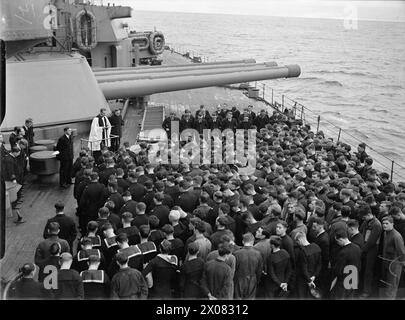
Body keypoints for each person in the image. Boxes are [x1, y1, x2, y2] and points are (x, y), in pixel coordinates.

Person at [330, 229, 362, 299]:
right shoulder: (357, 248)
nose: (337, 243)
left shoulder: (343, 252)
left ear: (341, 239)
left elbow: (338, 270)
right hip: (354, 278)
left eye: (337, 241)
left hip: (344, 281)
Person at [379, 215, 405, 299]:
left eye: (387, 223)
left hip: (394, 265)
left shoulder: (396, 236)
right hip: (386, 263)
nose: (384, 225)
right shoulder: (385, 233)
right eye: (383, 223)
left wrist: (402, 264)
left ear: (392, 224)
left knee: (392, 287)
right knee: (387, 286)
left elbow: (402, 252)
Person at [233, 233, 263, 299]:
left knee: (237, 297)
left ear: (243, 241)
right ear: (253, 241)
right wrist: (257, 280)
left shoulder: (236, 253)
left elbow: (233, 269)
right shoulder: (258, 254)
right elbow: (259, 270)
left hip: (239, 279)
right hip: (252, 279)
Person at [294, 232, 322, 298]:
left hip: (303, 280)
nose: (298, 244)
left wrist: (309, 280)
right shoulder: (316, 247)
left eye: (297, 242)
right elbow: (319, 264)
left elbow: (304, 268)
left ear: (299, 240)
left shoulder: (302, 251)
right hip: (314, 278)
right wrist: (314, 276)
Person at [1, 146, 24, 223]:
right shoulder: (9, 160)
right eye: (18, 153)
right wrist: (13, 179)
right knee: (12, 196)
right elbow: (10, 170)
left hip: (11, 180)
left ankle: (14, 206)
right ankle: (14, 208)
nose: (18, 154)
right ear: (14, 152)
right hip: (10, 181)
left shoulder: (10, 158)